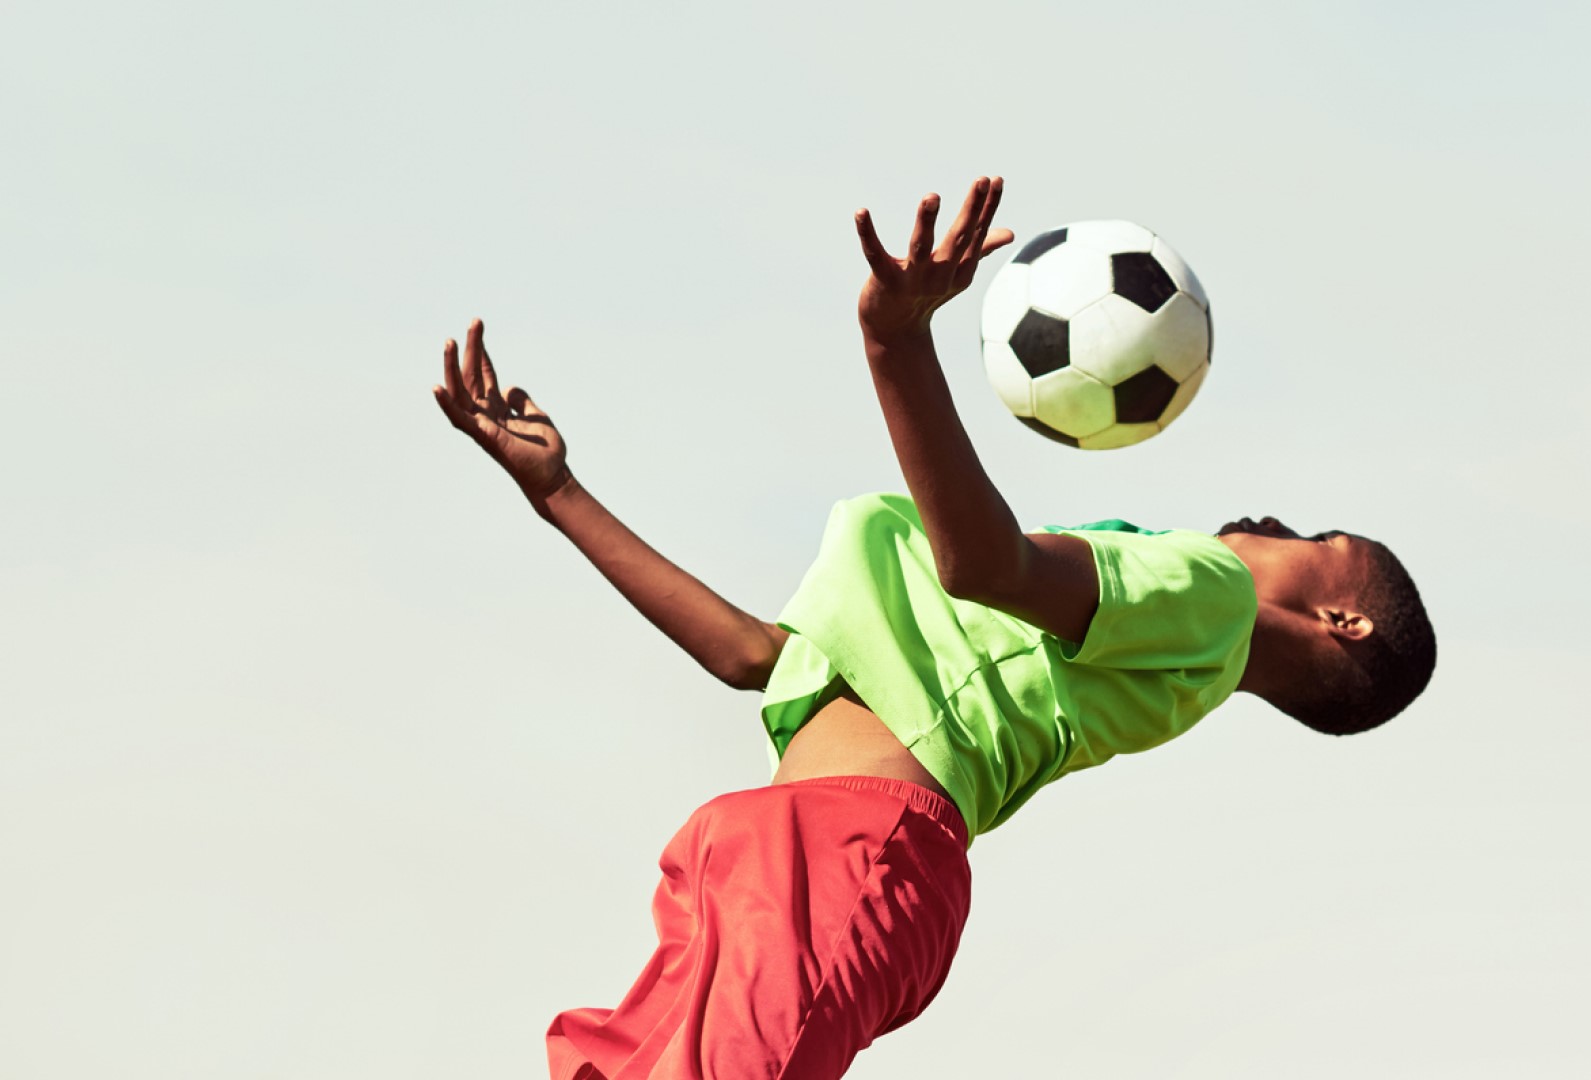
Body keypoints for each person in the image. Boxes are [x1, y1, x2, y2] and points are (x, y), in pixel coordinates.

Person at [431, 176, 1436, 1080]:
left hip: (846, 852)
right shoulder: (1156, 639)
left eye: (1316, 539)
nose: (1269, 521)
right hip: (778, 847)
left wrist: (894, 338)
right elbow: (753, 658)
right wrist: (558, 493)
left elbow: (984, 563)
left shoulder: (1210, 599)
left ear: (1339, 619)